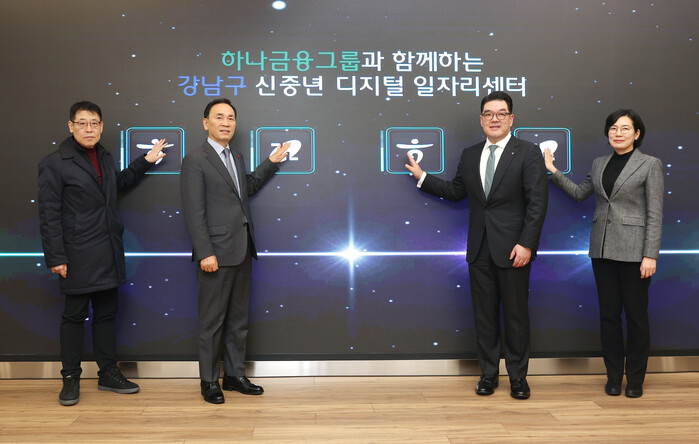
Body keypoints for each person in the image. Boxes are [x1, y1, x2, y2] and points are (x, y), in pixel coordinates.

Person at [405, 91, 548, 399]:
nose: (494, 119)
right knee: (484, 316)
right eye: (488, 114)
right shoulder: (470, 154)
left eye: (501, 113)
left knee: (515, 316)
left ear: (511, 118)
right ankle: (488, 374)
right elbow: (456, 191)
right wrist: (423, 177)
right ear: (481, 119)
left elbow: (537, 203)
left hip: (514, 249)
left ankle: (518, 378)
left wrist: (526, 244)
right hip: (479, 248)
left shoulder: (528, 152)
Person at [38, 101, 168, 406]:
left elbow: (116, 185)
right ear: (71, 126)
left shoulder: (105, 157)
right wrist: (56, 256)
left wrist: (145, 161)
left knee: (107, 315)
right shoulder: (54, 163)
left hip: (108, 250)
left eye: (94, 123)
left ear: (101, 127)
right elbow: (48, 214)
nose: (89, 129)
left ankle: (108, 373)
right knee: (74, 317)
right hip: (77, 254)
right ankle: (70, 378)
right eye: (82, 123)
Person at [544, 109, 663, 398]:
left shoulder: (650, 164)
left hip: (635, 253)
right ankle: (613, 376)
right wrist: (552, 170)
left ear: (637, 134)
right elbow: (579, 193)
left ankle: (635, 378)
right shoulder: (599, 163)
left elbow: (655, 213)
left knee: (636, 318)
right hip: (602, 250)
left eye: (625, 128)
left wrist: (650, 254)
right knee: (609, 316)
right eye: (613, 128)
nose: (618, 133)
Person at [180, 98, 290, 404]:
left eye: (230, 118)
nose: (226, 123)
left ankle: (234, 375)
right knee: (212, 322)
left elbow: (247, 188)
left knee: (238, 320)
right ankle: (208, 381)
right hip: (215, 253)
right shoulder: (195, 159)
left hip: (242, 248)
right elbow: (193, 211)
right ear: (206, 123)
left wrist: (271, 162)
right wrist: (205, 252)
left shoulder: (236, 156)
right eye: (219, 117)